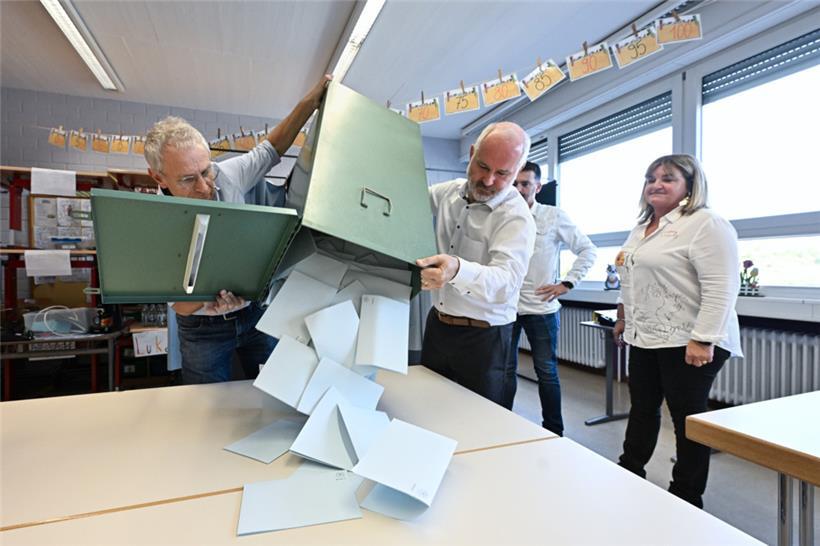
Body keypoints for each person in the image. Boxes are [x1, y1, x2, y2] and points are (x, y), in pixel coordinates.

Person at [143, 75, 331, 384]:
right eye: (188, 179)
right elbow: (179, 303)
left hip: (253, 314)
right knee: (205, 407)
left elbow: (272, 148)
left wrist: (310, 101)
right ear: (159, 178)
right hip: (202, 330)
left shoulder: (228, 175)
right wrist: (209, 300)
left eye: (206, 171)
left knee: (277, 388)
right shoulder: (154, 223)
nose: (205, 187)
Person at [613, 154, 742, 508]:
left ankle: (686, 496)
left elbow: (722, 286)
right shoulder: (642, 228)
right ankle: (629, 471)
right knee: (641, 408)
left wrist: (703, 339)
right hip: (645, 336)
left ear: (690, 185)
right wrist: (624, 318)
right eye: (651, 177)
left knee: (688, 420)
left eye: (668, 178)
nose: (656, 183)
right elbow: (631, 278)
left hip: (690, 339)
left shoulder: (706, 223)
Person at [416, 122, 535, 408]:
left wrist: (457, 269)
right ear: (471, 154)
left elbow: (506, 282)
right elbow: (409, 202)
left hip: (485, 339)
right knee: (430, 408)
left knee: (485, 423)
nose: (489, 180)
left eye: (503, 173)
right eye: (482, 166)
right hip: (439, 326)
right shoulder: (449, 192)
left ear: (517, 172)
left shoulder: (516, 217)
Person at [505, 161, 597, 435]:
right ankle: (503, 424)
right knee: (505, 369)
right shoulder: (500, 215)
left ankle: (554, 431)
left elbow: (587, 250)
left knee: (546, 371)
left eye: (525, 184)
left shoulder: (553, 216)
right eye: (514, 183)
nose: (519, 189)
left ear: (537, 186)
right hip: (506, 308)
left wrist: (566, 283)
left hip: (541, 309)